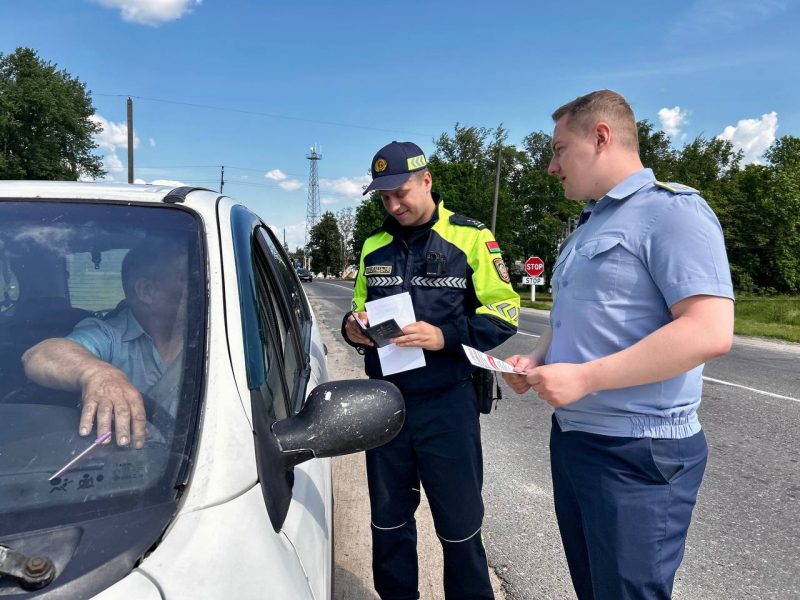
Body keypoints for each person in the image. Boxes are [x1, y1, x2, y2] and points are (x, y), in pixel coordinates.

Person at [502, 90, 734, 599]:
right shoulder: (588, 225)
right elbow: (578, 317)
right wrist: (538, 357)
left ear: (600, 137)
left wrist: (584, 378)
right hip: (577, 440)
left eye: (559, 149)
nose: (550, 165)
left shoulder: (672, 212)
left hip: (637, 451)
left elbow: (709, 329)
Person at [342, 141, 519, 599]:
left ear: (427, 181)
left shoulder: (471, 237)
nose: (394, 205)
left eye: (401, 193)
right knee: (388, 521)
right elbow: (359, 310)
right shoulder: (373, 245)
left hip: (447, 403)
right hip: (385, 405)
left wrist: (446, 338)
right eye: (384, 198)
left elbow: (505, 312)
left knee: (459, 527)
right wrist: (351, 328)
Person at [22, 240, 188, 449]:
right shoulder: (109, 336)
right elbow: (39, 356)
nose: (203, 286)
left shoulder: (209, 336)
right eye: (187, 279)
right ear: (147, 291)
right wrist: (100, 375)